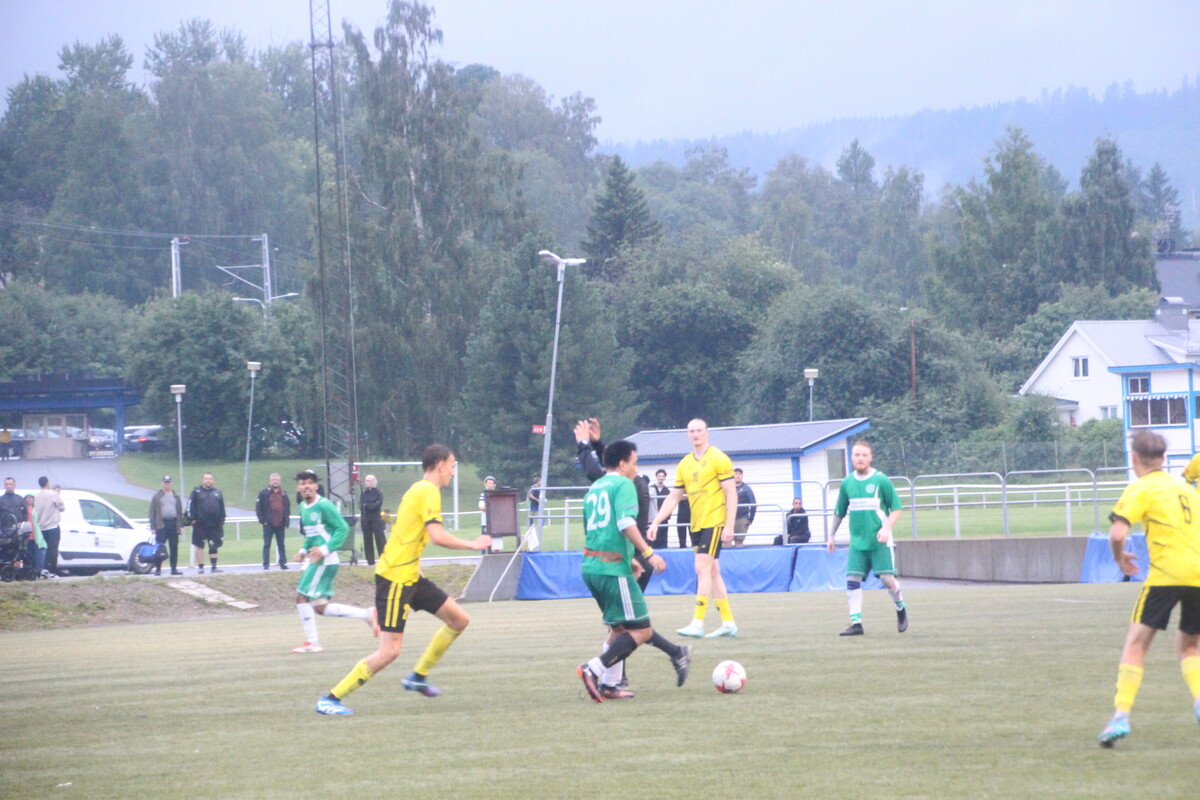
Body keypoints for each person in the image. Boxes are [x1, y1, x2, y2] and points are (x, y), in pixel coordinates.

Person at [315, 445, 492, 715]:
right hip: (396, 579)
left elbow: (406, 535)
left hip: (411, 576)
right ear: (440, 464)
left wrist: (418, 572)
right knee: (389, 652)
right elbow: (437, 537)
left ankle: (417, 677)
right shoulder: (427, 491)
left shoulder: (418, 490)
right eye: (452, 466)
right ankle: (330, 699)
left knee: (459, 620)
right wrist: (473, 544)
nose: (453, 472)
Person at [1096, 430, 1200, 747]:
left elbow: (1117, 534)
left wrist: (1119, 558)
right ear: (1163, 458)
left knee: (1137, 644)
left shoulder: (1140, 488)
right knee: (1190, 647)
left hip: (1166, 575)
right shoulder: (1186, 490)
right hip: (1198, 575)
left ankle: (1121, 716)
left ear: (1134, 457)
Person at [576, 439, 691, 702]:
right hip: (611, 569)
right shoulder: (624, 485)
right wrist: (648, 553)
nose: (636, 469)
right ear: (622, 464)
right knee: (641, 629)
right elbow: (625, 522)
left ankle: (610, 685)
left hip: (592, 565)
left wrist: (629, 559)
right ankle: (593, 669)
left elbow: (595, 530)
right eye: (634, 463)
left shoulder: (595, 488)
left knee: (619, 629)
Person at [645, 418, 739, 639]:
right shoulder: (685, 464)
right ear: (687, 434)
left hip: (714, 521)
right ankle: (728, 622)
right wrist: (656, 521)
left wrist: (730, 525)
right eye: (691, 431)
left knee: (701, 567)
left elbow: (731, 493)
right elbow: (674, 496)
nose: (695, 434)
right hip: (696, 523)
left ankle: (697, 622)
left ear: (706, 432)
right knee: (712, 571)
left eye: (699, 430)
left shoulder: (719, 458)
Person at [827, 439, 907, 636]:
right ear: (851, 457)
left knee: (887, 580)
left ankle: (900, 607)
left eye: (864, 455)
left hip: (879, 542)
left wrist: (886, 528)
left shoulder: (881, 480)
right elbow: (839, 512)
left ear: (870, 458)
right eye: (857, 455)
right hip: (857, 543)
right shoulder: (847, 483)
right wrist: (831, 535)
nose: (860, 458)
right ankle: (856, 624)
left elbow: (897, 508)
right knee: (852, 579)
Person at [291, 470, 376, 654]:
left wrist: (325, 549)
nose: (306, 486)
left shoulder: (324, 505)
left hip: (325, 560)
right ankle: (367, 614)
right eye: (303, 483)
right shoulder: (303, 507)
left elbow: (342, 528)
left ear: (316, 486)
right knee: (320, 606)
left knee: (301, 597)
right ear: (298, 487)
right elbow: (311, 536)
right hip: (317, 560)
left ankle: (312, 643)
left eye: (310, 483)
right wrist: (303, 551)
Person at [187, 473, 226, 574]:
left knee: (213, 545)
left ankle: (214, 567)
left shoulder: (217, 492)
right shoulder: (196, 492)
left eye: (210, 479)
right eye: (206, 479)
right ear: (202, 480)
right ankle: (201, 567)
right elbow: (190, 506)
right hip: (200, 524)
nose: (208, 480)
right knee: (200, 546)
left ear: (212, 480)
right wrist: (192, 519)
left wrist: (222, 520)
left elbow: (222, 507)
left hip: (214, 525)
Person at [148, 476, 184, 576]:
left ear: (171, 483)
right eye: (165, 482)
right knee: (159, 547)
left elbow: (179, 512)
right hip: (162, 524)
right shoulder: (157, 496)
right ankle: (158, 569)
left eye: (168, 482)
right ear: (162, 483)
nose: (167, 484)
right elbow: (152, 512)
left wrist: (181, 526)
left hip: (173, 524)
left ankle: (173, 569)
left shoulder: (176, 496)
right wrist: (153, 526)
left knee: (174, 547)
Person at [255, 473, 291, 571]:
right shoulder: (263, 493)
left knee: (281, 544)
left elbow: (287, 507)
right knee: (267, 544)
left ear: (280, 481)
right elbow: (258, 508)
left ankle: (283, 563)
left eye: (277, 480)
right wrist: (263, 521)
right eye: (273, 480)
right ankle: (266, 565)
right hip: (268, 524)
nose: (275, 482)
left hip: (280, 523)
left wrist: (286, 520)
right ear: (270, 481)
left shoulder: (284, 493)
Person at [34, 476, 65, 576]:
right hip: (52, 526)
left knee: (43, 549)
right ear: (47, 483)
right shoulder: (53, 494)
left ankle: (44, 569)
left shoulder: (36, 496)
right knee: (53, 549)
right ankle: (52, 570)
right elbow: (62, 508)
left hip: (41, 527)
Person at [359, 474, 386, 566]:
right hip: (365, 520)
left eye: (368, 480)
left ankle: (384, 560)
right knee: (367, 540)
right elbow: (361, 506)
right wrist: (368, 505)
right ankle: (370, 561)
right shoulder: (364, 494)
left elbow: (376, 505)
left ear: (373, 482)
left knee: (380, 540)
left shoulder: (378, 493)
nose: (366, 482)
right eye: (366, 480)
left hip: (376, 519)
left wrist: (367, 505)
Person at [21, 494, 48, 579]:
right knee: (29, 556)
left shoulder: (37, 509)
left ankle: (38, 572)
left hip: (37, 534)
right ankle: (29, 573)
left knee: (39, 555)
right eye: (27, 498)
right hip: (27, 535)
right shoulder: (23, 509)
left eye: (30, 498)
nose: (29, 500)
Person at [733, 468, 757, 546]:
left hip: (742, 518)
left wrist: (750, 519)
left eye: (739, 474)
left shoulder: (746, 488)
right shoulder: (728, 487)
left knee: (739, 541)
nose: (737, 476)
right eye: (736, 474)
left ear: (742, 476)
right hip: (729, 518)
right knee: (726, 541)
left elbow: (753, 503)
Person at [650, 469, 671, 549]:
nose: (661, 477)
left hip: (663, 518)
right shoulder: (651, 489)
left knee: (663, 539)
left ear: (665, 478)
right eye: (659, 476)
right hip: (653, 518)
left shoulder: (667, 491)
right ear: (656, 477)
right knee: (653, 539)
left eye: (662, 476)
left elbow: (670, 504)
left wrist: (666, 516)